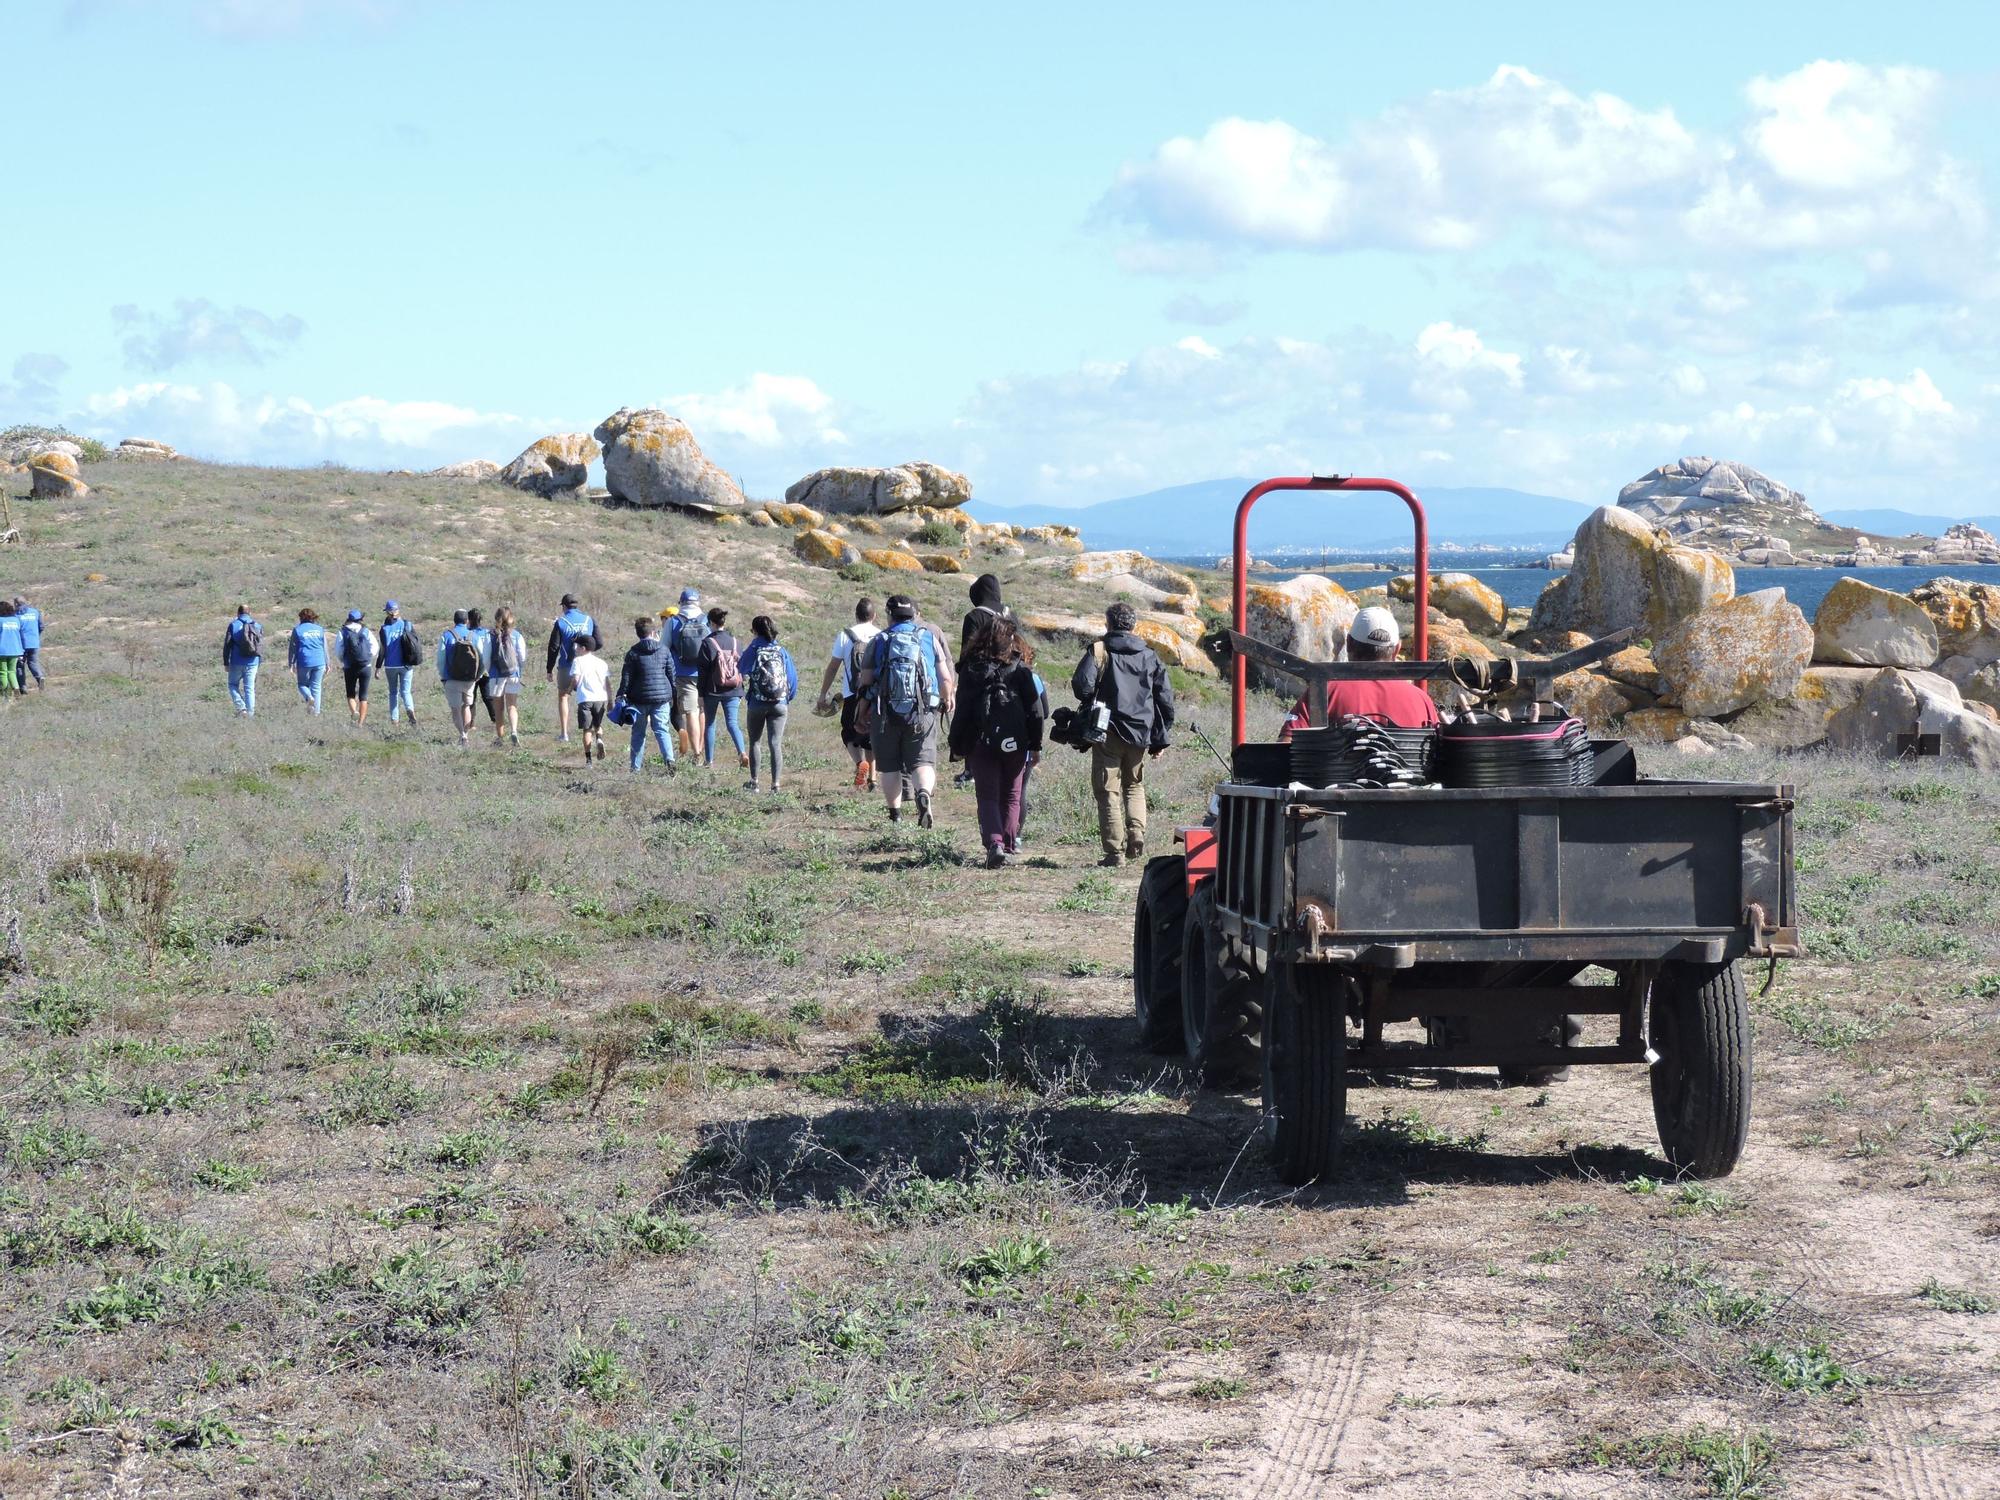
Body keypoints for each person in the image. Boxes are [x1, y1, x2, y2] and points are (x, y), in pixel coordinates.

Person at [1072, 601, 1174, 867]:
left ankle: (1114, 853)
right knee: (1134, 785)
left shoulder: (1099, 650)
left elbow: (1081, 685)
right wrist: (1160, 738)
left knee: (1108, 791)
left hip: (1107, 731)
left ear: (1108, 623)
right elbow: (1165, 698)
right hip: (1141, 734)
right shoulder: (1149, 655)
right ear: (1133, 625)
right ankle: (1137, 832)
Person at [949, 615, 1046, 867]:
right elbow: (1035, 712)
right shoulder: (1021, 670)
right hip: (1016, 744)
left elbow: (962, 711)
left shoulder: (972, 669)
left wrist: (957, 745)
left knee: (988, 796)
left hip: (982, 743)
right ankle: (1009, 844)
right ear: (1011, 641)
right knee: (1012, 794)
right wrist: (1035, 746)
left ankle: (995, 844)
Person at [858, 594, 955, 826]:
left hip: (885, 713)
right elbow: (945, 677)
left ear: (889, 615)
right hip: (922, 712)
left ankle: (896, 816)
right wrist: (948, 698)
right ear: (914, 614)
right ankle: (923, 793)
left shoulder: (879, 640)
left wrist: (861, 713)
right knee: (923, 762)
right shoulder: (928, 637)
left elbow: (866, 682)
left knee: (890, 766)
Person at [1278, 605, 1441, 738]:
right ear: (1397, 649)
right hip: (1409, 778)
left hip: (1337, 778)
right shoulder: (1422, 700)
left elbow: (1285, 745)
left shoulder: (1325, 693)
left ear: (1348, 643)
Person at [816, 597, 882, 790]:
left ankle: (858, 763)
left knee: (849, 733)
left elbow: (833, 666)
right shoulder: (881, 635)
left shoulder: (846, 635)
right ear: (874, 616)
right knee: (871, 736)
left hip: (852, 692)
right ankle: (873, 778)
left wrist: (823, 694)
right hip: (876, 694)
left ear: (856, 615)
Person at [739, 614, 797, 792]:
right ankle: (775, 785)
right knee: (775, 743)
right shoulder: (781, 650)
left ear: (755, 631)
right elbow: (792, 679)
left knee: (755, 742)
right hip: (779, 703)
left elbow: (741, 667)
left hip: (757, 703)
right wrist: (786, 698)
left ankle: (755, 782)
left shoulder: (754, 648)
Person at [618, 615, 677, 775]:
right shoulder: (664, 650)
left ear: (638, 633)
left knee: (638, 733)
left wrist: (621, 694)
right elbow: (671, 674)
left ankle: (635, 768)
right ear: (653, 632)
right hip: (661, 698)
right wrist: (673, 693)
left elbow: (626, 677)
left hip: (639, 700)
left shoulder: (633, 653)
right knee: (662, 730)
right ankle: (669, 760)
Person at [696, 606, 749, 769]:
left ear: (711, 622)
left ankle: (709, 761)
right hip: (734, 688)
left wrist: (700, 694)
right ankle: (742, 753)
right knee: (732, 723)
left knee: (710, 723)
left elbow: (702, 672)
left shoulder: (707, 643)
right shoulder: (736, 642)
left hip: (712, 689)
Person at [546, 593, 597, 743]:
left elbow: (553, 647)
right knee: (588, 698)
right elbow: (597, 641)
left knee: (563, 697)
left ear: (564, 606)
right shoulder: (589, 620)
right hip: (586, 665)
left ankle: (564, 733)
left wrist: (549, 669)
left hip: (566, 666)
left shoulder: (561, 622)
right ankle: (592, 731)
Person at [664, 588, 708, 759]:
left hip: (683, 673)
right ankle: (702, 747)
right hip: (705, 672)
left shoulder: (673, 621)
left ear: (681, 602)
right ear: (698, 602)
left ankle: (696, 752)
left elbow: (664, 648)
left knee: (691, 712)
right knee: (703, 710)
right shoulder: (706, 620)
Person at [437, 609, 482, 746]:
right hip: (469, 679)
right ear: (467, 620)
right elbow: (482, 659)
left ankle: (462, 734)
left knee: (455, 709)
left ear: (454, 620)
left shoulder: (446, 635)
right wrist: (478, 676)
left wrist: (443, 675)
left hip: (451, 678)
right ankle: (467, 734)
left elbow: (441, 659)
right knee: (466, 706)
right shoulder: (474, 636)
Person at [485, 606, 527, 745]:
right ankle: (514, 731)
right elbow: (522, 657)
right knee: (512, 705)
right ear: (511, 618)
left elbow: (486, 658)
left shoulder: (490, 635)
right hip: (513, 674)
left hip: (496, 676)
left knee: (498, 708)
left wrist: (489, 670)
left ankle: (500, 737)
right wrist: (519, 669)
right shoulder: (517, 635)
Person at [378, 601, 421, 726]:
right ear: (398, 610)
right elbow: (415, 642)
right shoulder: (407, 625)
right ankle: (410, 709)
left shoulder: (384, 629)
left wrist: (377, 667)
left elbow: (382, 649)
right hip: (406, 664)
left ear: (387, 612)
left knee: (393, 692)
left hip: (390, 665)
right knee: (406, 691)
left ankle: (394, 720)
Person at [569, 633, 611, 762]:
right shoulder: (601, 662)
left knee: (587, 729)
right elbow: (607, 683)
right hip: (600, 698)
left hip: (585, 699)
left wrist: (568, 690)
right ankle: (599, 738)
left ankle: (588, 760)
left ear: (583, 648)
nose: (575, 648)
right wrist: (610, 701)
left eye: (577, 646)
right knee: (598, 724)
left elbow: (575, 679)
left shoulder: (577, 661)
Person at [336, 608, 377, 725]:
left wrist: (343, 660)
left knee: (350, 693)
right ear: (360, 619)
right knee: (363, 696)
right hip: (365, 666)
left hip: (349, 667)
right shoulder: (366, 631)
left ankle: (354, 711)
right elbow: (375, 647)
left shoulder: (342, 632)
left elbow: (338, 651)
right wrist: (368, 658)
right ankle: (360, 723)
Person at [223, 605, 263, 717]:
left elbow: (227, 645)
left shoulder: (233, 625)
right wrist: (260, 661)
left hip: (236, 661)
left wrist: (226, 662)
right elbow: (260, 645)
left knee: (232, 684)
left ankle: (241, 708)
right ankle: (250, 714)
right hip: (253, 662)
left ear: (238, 613)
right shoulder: (257, 625)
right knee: (249, 688)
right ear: (250, 613)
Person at [287, 607, 328, 714]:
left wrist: (291, 664)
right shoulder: (319, 629)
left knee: (302, 684)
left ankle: (308, 696)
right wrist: (328, 663)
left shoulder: (297, 630)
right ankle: (316, 713)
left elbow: (292, 649)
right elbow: (325, 647)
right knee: (316, 687)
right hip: (320, 661)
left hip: (304, 661)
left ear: (301, 618)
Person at [961, 573, 1010, 653]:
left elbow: (966, 654)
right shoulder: (1011, 615)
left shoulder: (974, 617)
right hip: (1011, 664)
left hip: (982, 664)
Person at [11, 597, 44, 691]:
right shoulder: (35, 612)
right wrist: (36, 636)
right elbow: (41, 626)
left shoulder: (15, 615)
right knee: (33, 662)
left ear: (16, 604)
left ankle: (23, 687)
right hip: (34, 643)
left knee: (19, 665)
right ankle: (40, 677)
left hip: (21, 645)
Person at [0, 601, 23, 695]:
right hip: (15, 649)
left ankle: (5, 692)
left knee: (2, 672)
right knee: (12, 671)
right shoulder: (16, 620)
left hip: (2, 650)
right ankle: (16, 688)